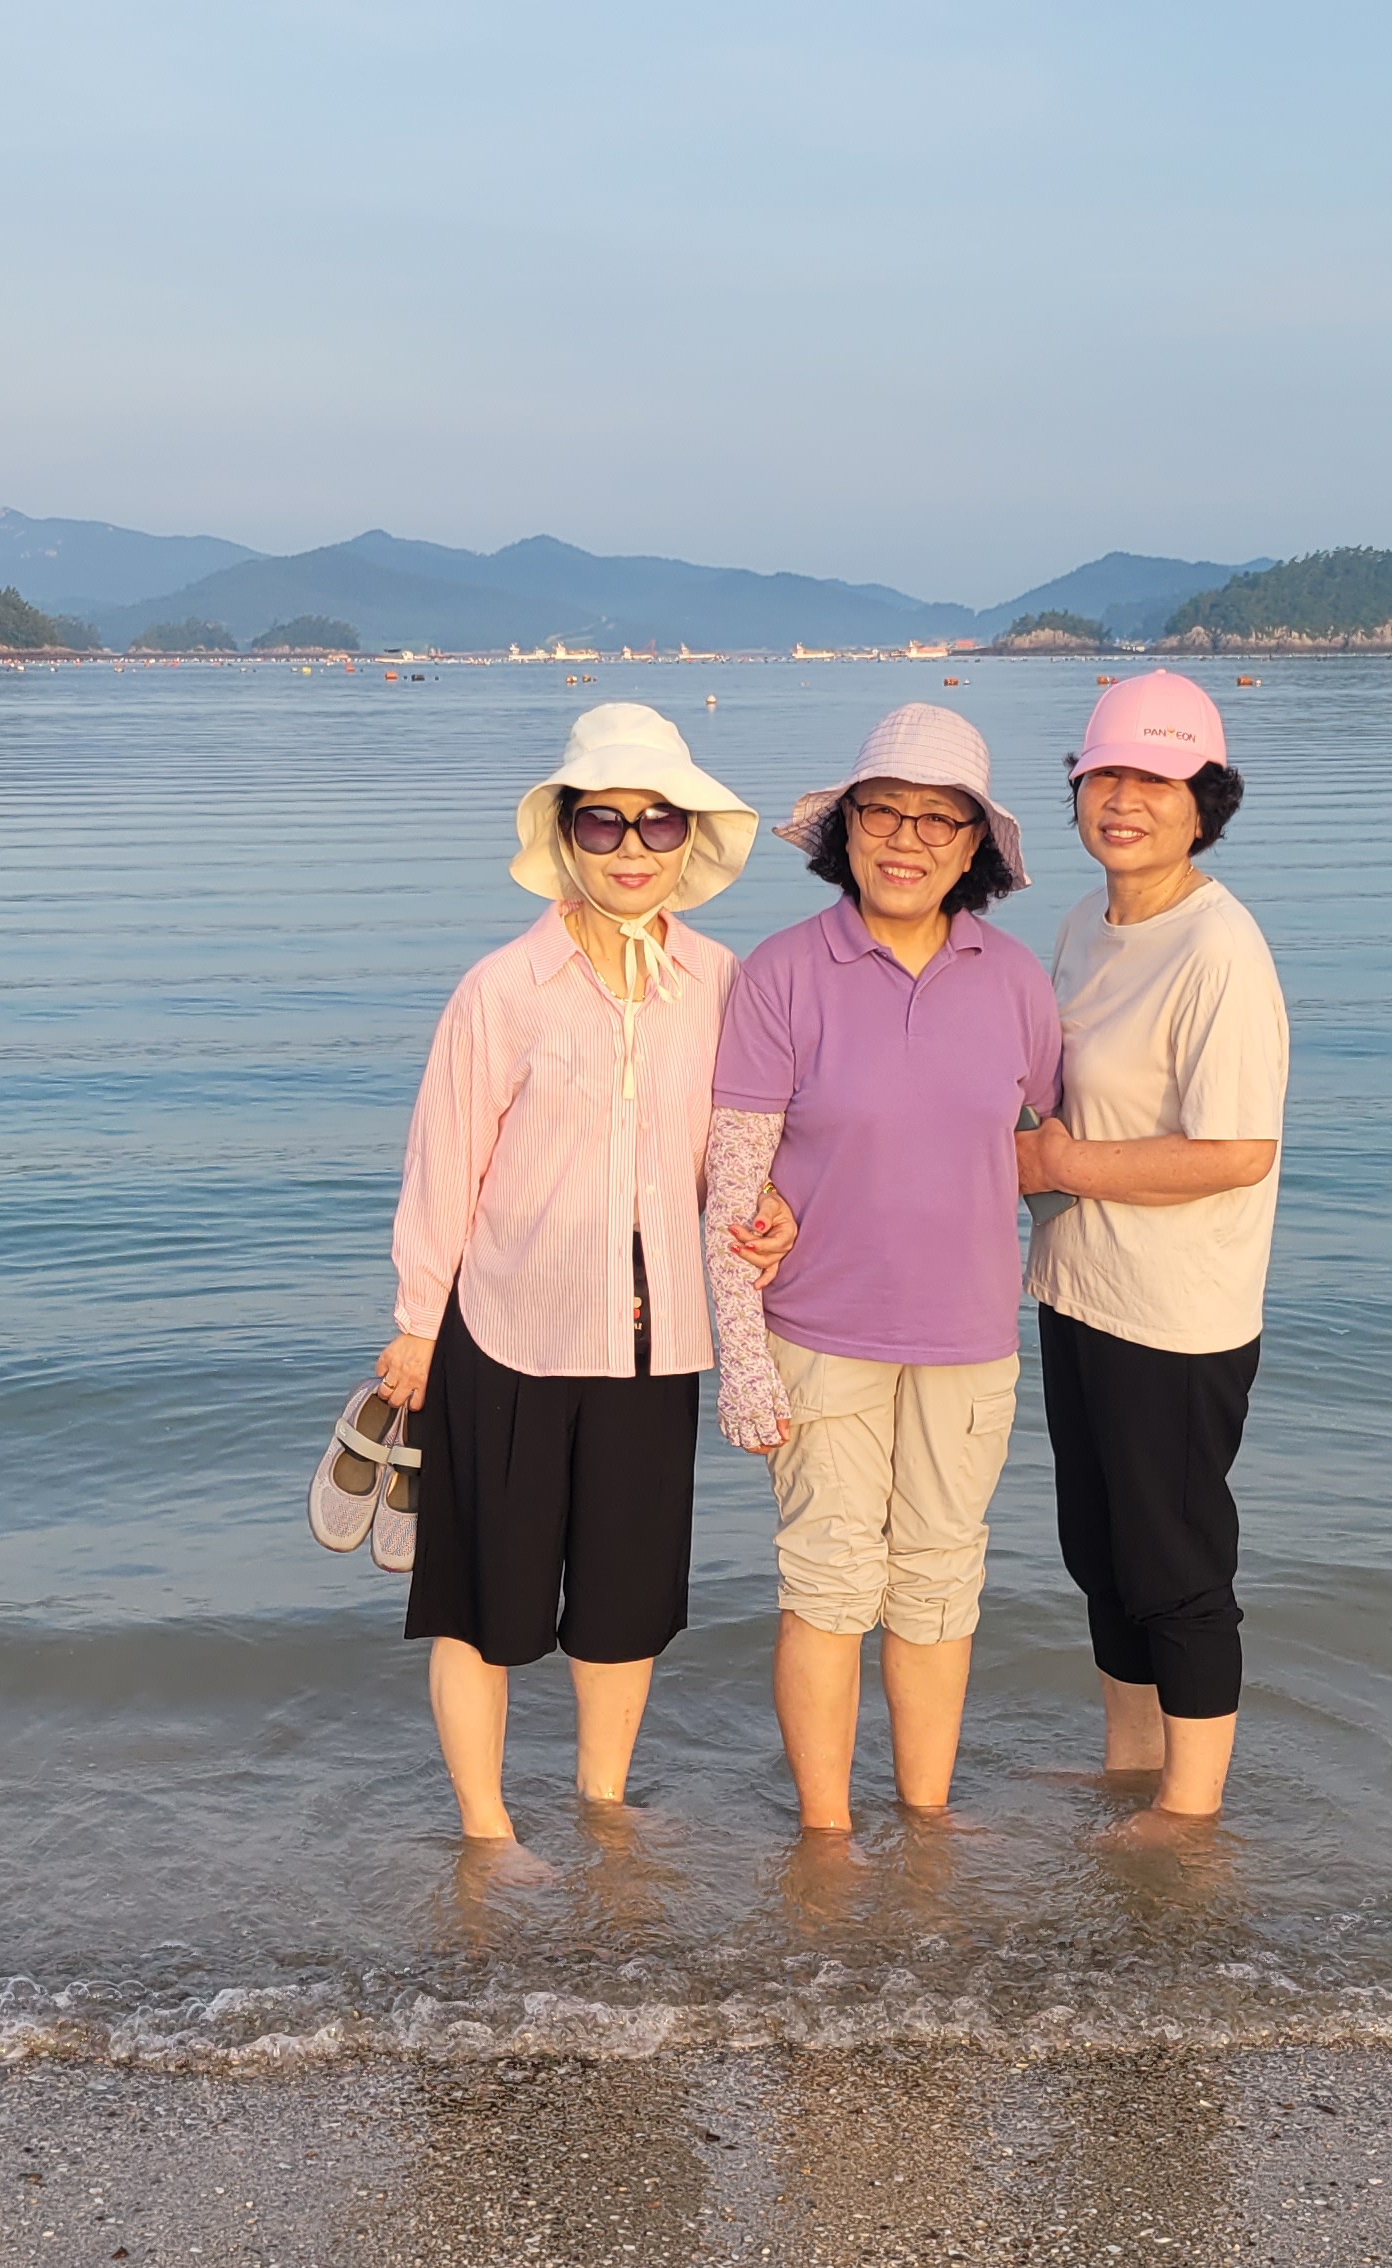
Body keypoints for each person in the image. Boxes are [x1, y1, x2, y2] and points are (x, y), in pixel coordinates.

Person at [377, 702, 781, 1851]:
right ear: (566, 837)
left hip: (656, 1347)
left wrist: (778, 1214)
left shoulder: (723, 983)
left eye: (659, 823)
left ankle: (604, 1811)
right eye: (603, 822)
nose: (632, 848)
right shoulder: (503, 988)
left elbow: (745, 1150)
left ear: (688, 839)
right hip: (504, 1333)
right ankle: (487, 1835)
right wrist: (417, 1323)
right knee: (481, 1602)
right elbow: (444, 1163)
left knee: (623, 1606)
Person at [702, 703, 1060, 1834]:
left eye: (938, 820)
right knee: (827, 1584)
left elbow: (1043, 1146)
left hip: (971, 1345)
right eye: (883, 813)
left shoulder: (1016, 981)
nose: (907, 839)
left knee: (941, 1586)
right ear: (845, 829)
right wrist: (742, 1362)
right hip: (819, 1341)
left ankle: (926, 1830)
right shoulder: (781, 974)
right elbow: (734, 1185)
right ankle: (825, 1842)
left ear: (975, 846)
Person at [1012, 670, 1287, 1833]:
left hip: (1174, 1312)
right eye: (1105, 777)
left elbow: (1237, 1151)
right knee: (1099, 1548)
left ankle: (1190, 1809)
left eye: (1156, 782)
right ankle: (1130, 1769)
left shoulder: (1219, 947)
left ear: (1203, 803)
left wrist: (1065, 1163)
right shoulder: (1087, 922)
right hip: (1079, 1287)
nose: (1124, 802)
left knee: (1176, 1562)